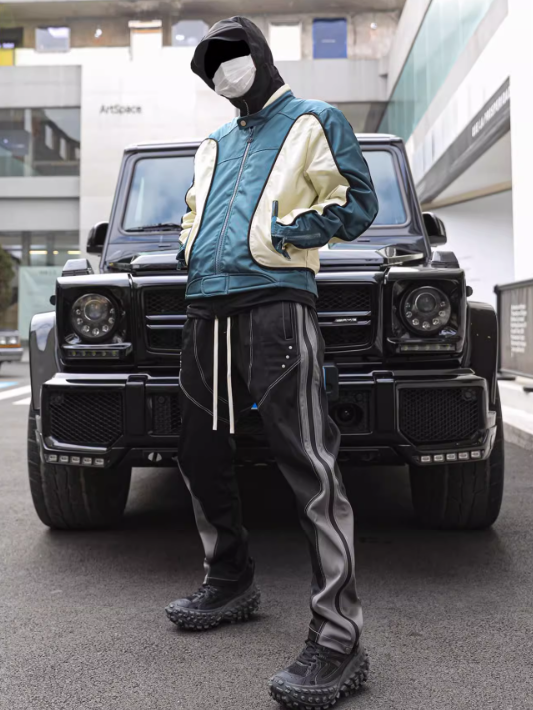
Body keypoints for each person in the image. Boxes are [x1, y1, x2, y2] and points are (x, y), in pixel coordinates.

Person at [165, 16, 379, 709]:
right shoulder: (214, 142)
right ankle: (229, 580)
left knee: (307, 463)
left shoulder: (314, 119)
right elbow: (195, 211)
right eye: (209, 66)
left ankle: (339, 636)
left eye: (230, 56)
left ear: (259, 53)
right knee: (198, 451)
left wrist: (288, 232)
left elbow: (357, 200)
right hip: (206, 307)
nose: (221, 71)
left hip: (276, 306)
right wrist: (190, 247)